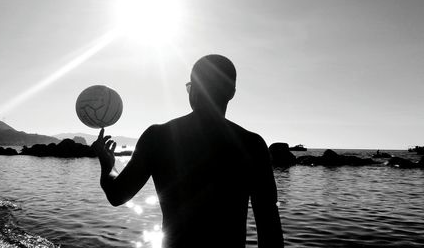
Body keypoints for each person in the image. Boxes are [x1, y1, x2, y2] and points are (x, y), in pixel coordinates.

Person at [92, 54, 284, 248]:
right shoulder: (252, 144)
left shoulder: (158, 137)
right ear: (231, 92)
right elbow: (269, 228)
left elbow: (117, 195)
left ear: (193, 89)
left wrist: (108, 166)